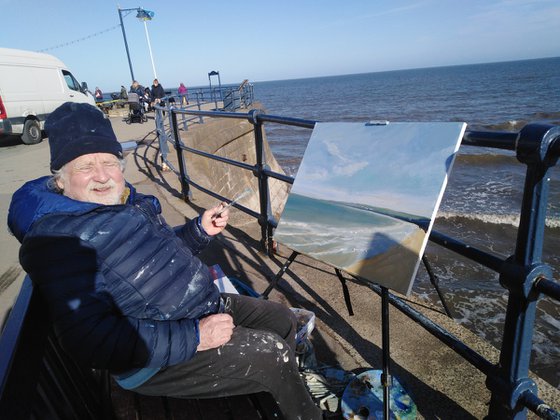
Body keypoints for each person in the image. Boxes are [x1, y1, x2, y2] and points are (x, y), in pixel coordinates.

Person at [7, 102, 322, 420]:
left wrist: (199, 231)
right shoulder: (61, 238)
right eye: (85, 166)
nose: (102, 176)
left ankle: (282, 390)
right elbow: (91, 339)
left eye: (109, 162)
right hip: (155, 360)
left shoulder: (127, 201)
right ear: (60, 180)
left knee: (281, 319)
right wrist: (196, 336)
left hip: (198, 306)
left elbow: (160, 255)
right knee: (271, 353)